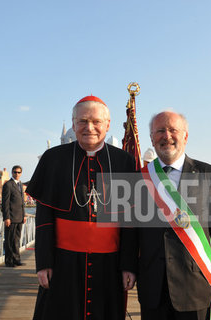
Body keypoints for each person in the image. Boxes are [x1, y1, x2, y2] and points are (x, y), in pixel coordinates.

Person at [26, 95, 136, 320]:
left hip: (110, 263)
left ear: (107, 124)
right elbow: (44, 217)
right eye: (82, 121)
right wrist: (43, 263)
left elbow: (130, 221)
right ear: (73, 124)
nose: (89, 127)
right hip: (63, 261)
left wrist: (129, 265)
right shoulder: (53, 158)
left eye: (96, 121)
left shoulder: (124, 161)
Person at [120, 111, 211, 320]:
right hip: (152, 284)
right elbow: (130, 231)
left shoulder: (209, 174)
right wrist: (128, 266)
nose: (166, 136)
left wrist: (197, 259)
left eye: (172, 130)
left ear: (185, 136)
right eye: (160, 131)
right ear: (152, 138)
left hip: (195, 284)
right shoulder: (137, 178)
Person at [1, 165, 27, 267]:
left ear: (21, 173)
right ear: (12, 173)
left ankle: (16, 259)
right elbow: (5, 203)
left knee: (16, 239)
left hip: (20, 217)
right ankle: (9, 261)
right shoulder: (8, 185)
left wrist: (24, 215)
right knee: (9, 240)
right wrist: (6, 217)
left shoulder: (20, 184)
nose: (17, 174)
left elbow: (22, 203)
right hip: (11, 217)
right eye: (15, 172)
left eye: (19, 172)